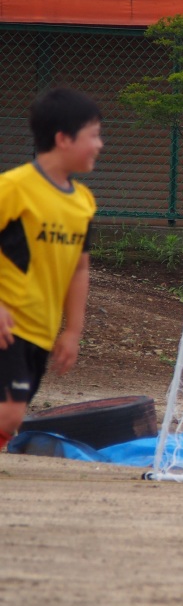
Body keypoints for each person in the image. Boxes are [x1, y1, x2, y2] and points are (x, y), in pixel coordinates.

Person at [0, 88, 103, 453]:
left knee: (10, 416)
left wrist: (72, 331)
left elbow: (79, 269)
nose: (100, 145)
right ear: (63, 139)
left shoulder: (83, 202)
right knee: (9, 413)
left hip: (41, 331)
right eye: (93, 135)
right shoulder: (13, 188)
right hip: (9, 326)